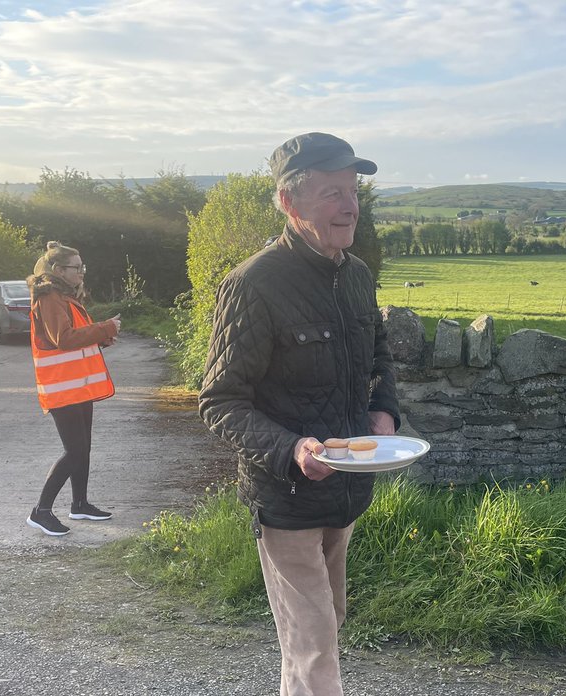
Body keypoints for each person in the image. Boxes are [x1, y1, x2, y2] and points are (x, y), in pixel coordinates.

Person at [198, 132, 399, 696]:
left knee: (324, 627)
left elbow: (378, 359)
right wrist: (290, 449)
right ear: (289, 203)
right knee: (314, 645)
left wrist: (384, 412)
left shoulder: (356, 275)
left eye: (353, 190)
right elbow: (219, 401)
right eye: (332, 192)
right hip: (286, 497)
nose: (350, 205)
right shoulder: (253, 284)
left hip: (347, 492)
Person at [25, 241, 122, 536]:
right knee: (75, 450)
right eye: (76, 267)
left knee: (83, 448)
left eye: (82, 267)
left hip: (77, 387)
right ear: (57, 270)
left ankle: (79, 504)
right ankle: (41, 512)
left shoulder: (65, 296)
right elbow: (63, 339)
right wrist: (105, 328)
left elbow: (76, 335)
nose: (81, 272)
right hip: (62, 390)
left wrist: (102, 337)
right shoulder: (50, 297)